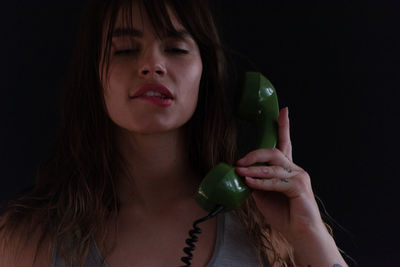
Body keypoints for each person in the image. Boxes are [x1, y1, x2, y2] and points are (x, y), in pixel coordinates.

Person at [0, 0, 348, 266]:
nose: (152, 64)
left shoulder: (272, 230)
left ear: (205, 74)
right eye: (124, 50)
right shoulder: (29, 237)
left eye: (176, 49)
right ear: (94, 77)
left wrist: (310, 235)